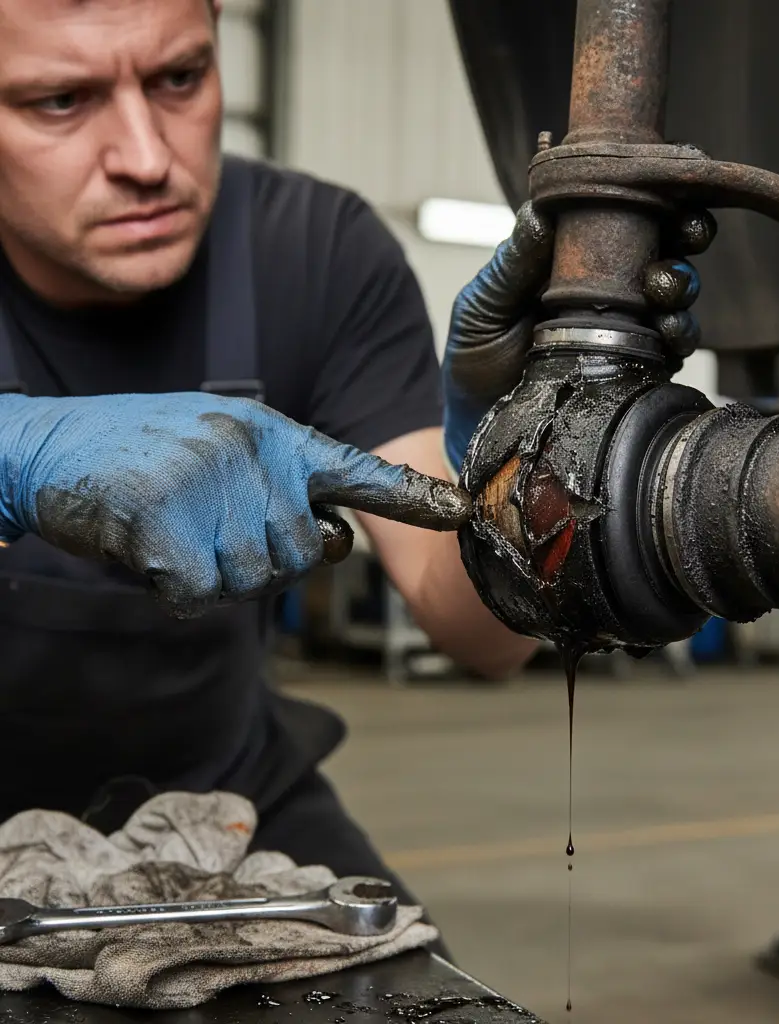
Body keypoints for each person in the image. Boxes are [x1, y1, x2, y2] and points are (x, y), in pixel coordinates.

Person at [0, 0, 704, 917]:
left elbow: (479, 639)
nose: (145, 156)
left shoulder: (316, 252)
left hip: (230, 800)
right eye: (59, 100)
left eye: (180, 78)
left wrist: (519, 453)